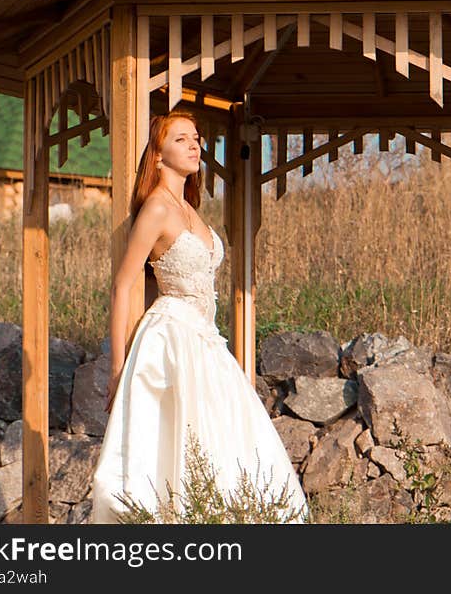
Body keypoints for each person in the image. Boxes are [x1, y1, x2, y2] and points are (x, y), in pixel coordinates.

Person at [90, 110, 309, 524]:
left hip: (207, 340)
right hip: (171, 337)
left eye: (196, 138)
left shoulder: (191, 208)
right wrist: (118, 367)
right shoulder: (156, 208)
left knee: (230, 443)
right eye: (181, 139)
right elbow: (123, 285)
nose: (194, 146)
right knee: (176, 445)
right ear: (157, 156)